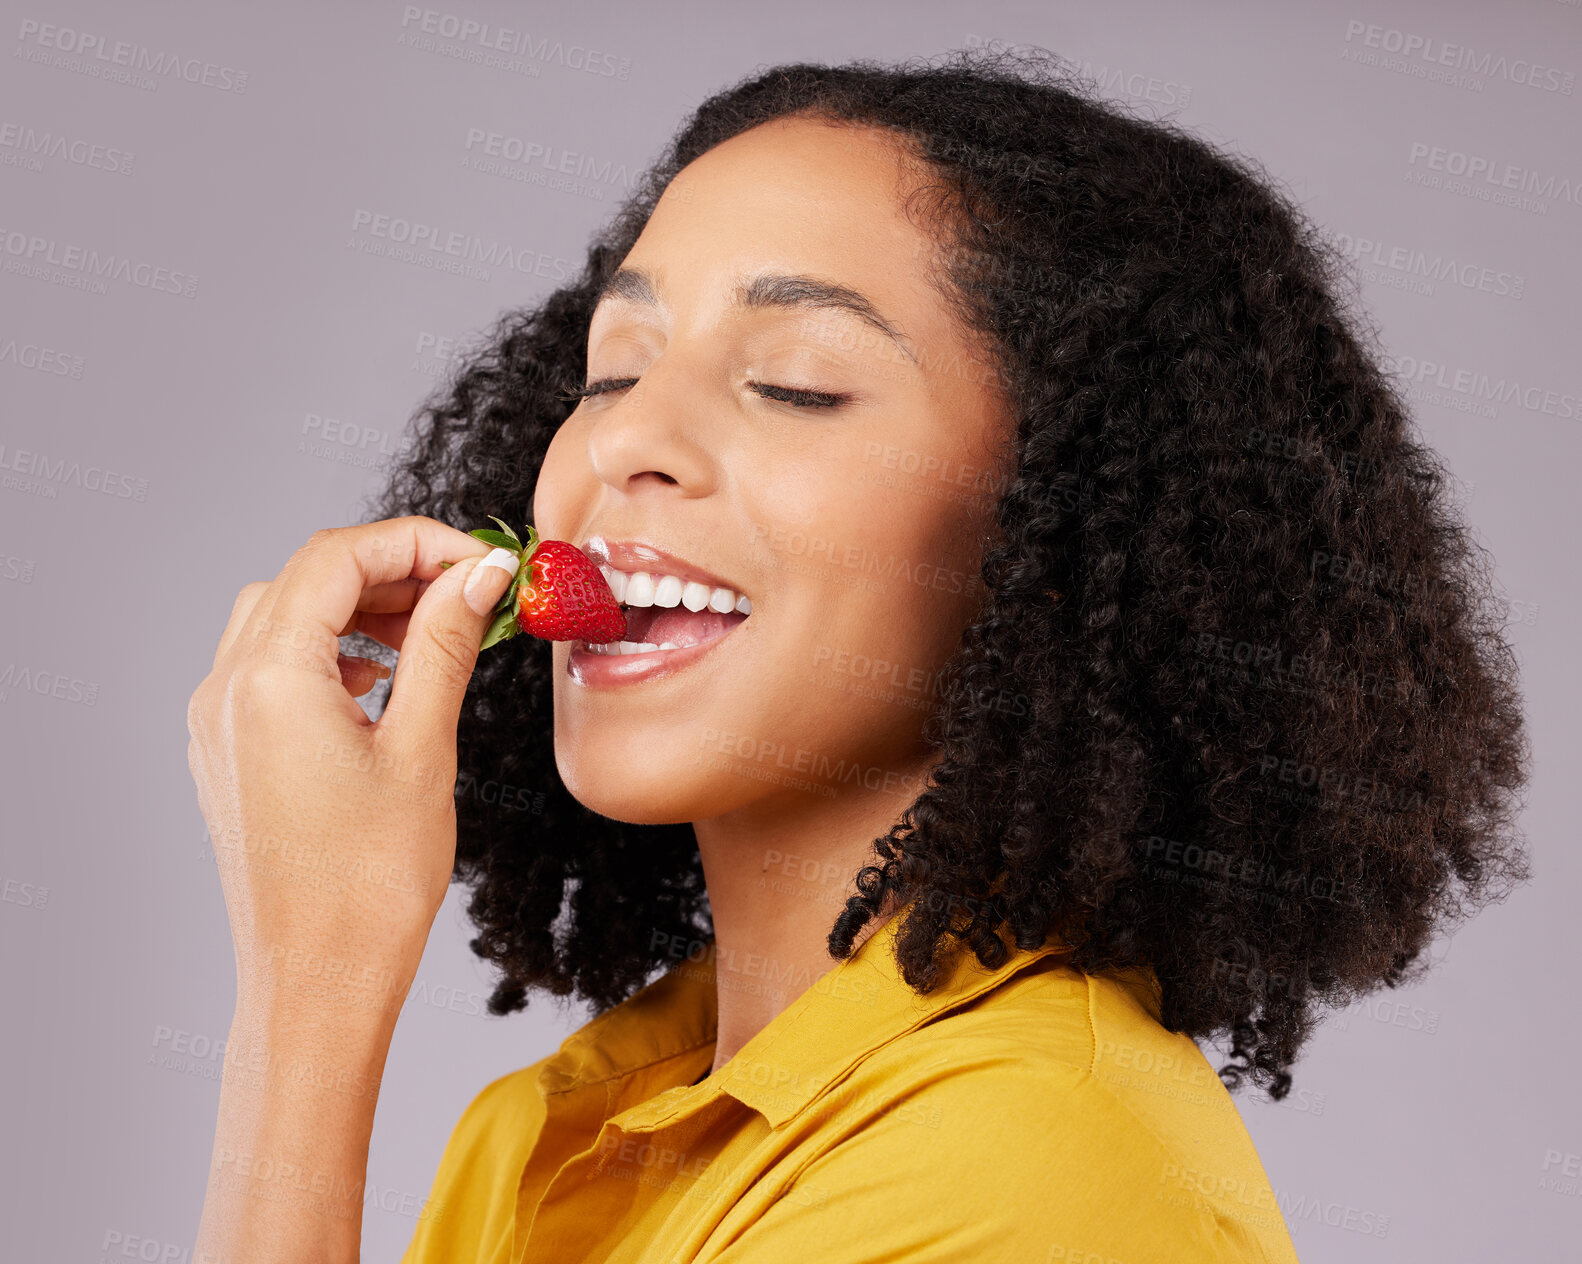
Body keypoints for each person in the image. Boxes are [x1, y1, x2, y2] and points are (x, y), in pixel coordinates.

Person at [186, 47, 1531, 1264]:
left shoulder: (1023, 1176)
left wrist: (308, 1002)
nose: (619, 442)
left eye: (796, 383)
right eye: (610, 370)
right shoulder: (564, 1127)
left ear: (1056, 520)